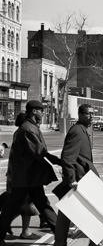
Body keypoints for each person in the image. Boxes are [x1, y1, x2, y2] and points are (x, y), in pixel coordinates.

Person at [0, 100, 60, 246]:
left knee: (43, 205)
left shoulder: (30, 127)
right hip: (26, 178)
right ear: (34, 111)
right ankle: (60, 232)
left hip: (29, 178)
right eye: (41, 110)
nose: (43, 113)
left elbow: (39, 152)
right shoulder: (28, 129)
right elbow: (39, 152)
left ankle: (60, 232)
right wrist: (59, 161)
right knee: (12, 208)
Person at [53, 104, 102, 246]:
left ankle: (60, 242)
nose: (91, 116)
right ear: (80, 115)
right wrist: (71, 180)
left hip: (82, 178)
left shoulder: (83, 130)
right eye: (88, 114)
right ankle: (94, 242)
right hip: (80, 180)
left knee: (67, 211)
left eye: (92, 113)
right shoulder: (77, 131)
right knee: (92, 212)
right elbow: (67, 157)